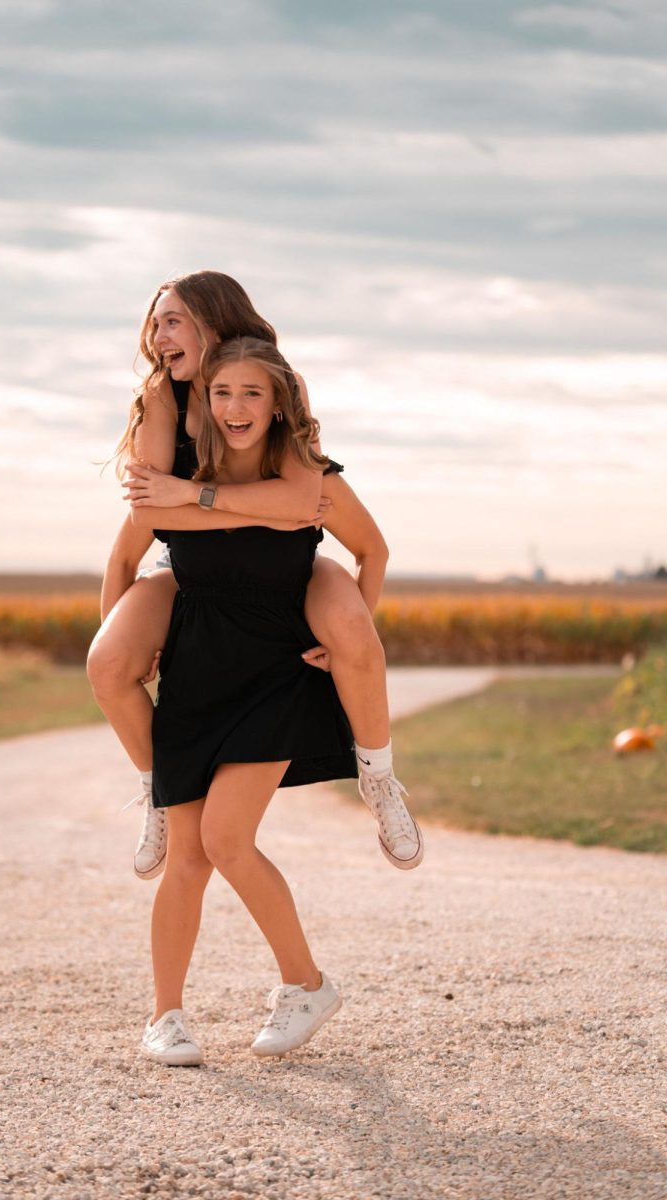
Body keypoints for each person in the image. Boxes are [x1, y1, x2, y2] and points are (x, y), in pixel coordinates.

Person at [87, 271, 422, 881]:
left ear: (215, 320)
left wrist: (191, 499)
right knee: (107, 664)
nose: (158, 335)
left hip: (289, 563)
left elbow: (301, 507)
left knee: (352, 627)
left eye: (173, 320)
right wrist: (239, 510)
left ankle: (378, 777)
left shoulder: (276, 382)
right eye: (155, 322)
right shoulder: (164, 395)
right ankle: (157, 787)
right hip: (193, 571)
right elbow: (145, 514)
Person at [129, 337, 402, 1063]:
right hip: (194, 678)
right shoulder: (176, 478)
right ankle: (165, 1017)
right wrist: (128, 638)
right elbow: (124, 554)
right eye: (222, 393)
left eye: (253, 393)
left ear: (279, 401)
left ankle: (305, 984)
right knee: (187, 855)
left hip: (275, 679)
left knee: (224, 839)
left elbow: (372, 548)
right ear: (204, 403)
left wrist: (346, 640)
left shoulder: (307, 482)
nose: (236, 407)